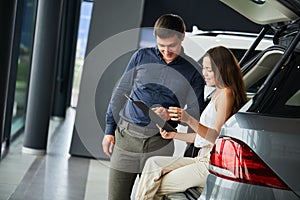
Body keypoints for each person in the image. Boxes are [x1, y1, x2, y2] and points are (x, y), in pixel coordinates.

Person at [102, 14, 205, 200]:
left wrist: (171, 115)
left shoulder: (193, 71)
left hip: (160, 145)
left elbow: (196, 113)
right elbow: (120, 92)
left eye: (171, 45)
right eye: (161, 46)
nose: (166, 51)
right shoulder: (141, 57)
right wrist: (109, 130)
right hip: (126, 140)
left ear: (182, 37)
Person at [135, 46, 247, 199]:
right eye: (204, 68)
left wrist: (188, 119)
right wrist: (174, 135)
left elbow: (214, 137)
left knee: (155, 184)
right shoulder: (217, 93)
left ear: (222, 69)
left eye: (209, 70)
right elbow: (202, 138)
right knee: (152, 165)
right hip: (200, 157)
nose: (204, 74)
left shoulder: (227, 94)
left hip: (209, 163)